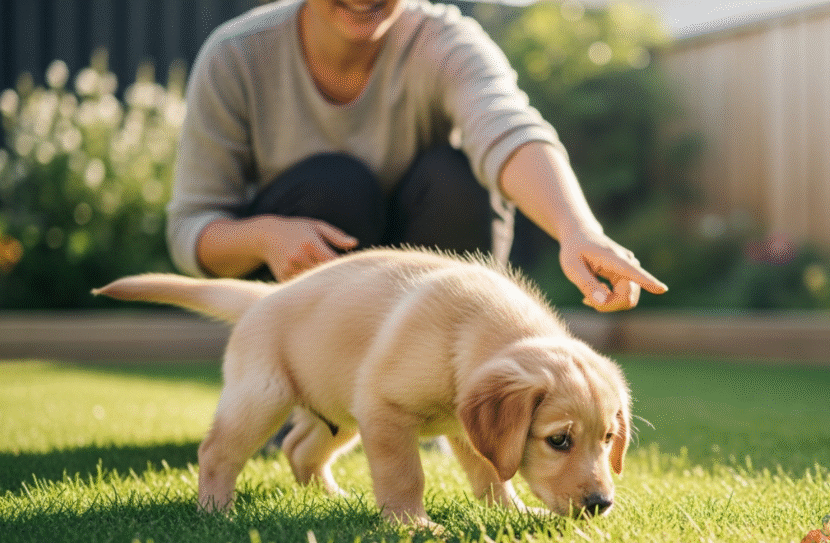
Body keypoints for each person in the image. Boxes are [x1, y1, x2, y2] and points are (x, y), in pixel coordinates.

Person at [166, 0, 667, 311]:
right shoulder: (236, 56)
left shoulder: (445, 42)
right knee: (335, 184)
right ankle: (307, 405)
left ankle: (431, 393)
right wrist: (263, 236)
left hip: (415, 282)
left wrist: (577, 229)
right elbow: (192, 226)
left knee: (458, 178)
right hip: (302, 301)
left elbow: (508, 131)